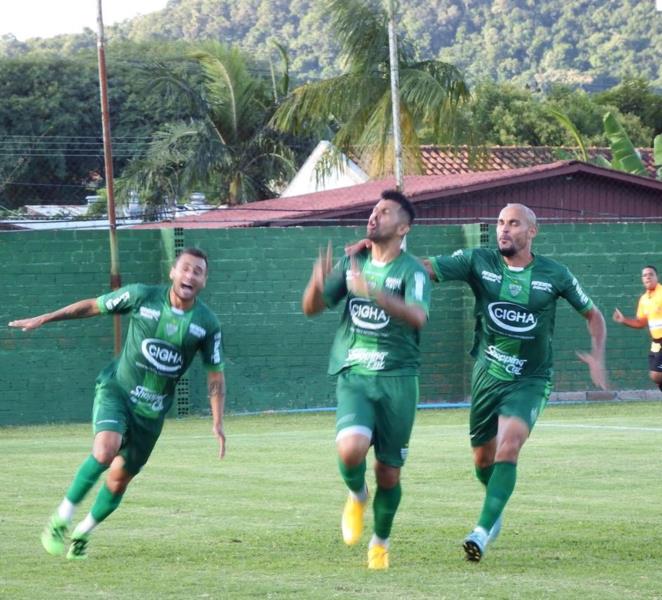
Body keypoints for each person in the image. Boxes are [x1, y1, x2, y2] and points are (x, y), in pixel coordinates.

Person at [8, 248, 226, 560]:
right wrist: (46, 318)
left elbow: (215, 375)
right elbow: (92, 306)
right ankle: (61, 519)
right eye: (186, 269)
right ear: (173, 273)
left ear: (204, 281)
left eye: (198, 272)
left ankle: (83, 531)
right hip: (118, 391)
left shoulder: (207, 324)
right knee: (105, 450)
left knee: (118, 479)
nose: (190, 275)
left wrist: (217, 422)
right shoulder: (141, 296)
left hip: (151, 413)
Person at [425, 203, 607, 562]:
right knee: (483, 460)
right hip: (487, 376)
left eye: (513, 224)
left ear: (532, 231)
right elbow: (427, 268)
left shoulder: (555, 274)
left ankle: (480, 531)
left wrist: (597, 355)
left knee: (509, 446)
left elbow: (593, 314)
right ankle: (496, 506)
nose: (504, 230)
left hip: (530, 379)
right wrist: (386, 258)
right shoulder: (479, 261)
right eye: (500, 223)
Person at [302, 190, 431, 570]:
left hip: (398, 380)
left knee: (388, 472)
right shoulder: (352, 261)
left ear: (403, 227)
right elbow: (311, 309)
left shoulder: (412, 271)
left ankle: (380, 541)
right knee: (350, 448)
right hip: (355, 374)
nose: (374, 216)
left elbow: (418, 316)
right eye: (373, 211)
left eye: (385, 212)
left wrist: (371, 291)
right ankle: (357, 495)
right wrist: (316, 280)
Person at [613, 265, 662, 391]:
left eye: (651, 274)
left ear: (657, 277)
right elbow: (641, 323)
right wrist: (623, 320)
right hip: (656, 343)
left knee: (656, 375)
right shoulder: (644, 300)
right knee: (656, 378)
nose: (647, 277)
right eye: (644, 275)